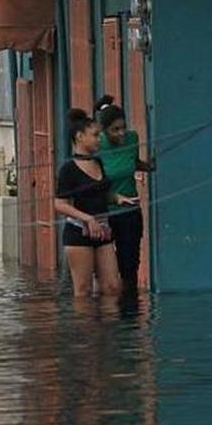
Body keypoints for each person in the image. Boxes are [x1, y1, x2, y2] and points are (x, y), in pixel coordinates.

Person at [54, 109, 138, 297]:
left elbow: (100, 192)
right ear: (79, 137)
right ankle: (86, 326)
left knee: (112, 287)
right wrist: (87, 219)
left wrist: (117, 198)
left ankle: (110, 325)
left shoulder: (98, 162)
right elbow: (60, 204)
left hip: (103, 230)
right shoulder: (68, 169)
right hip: (78, 231)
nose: (99, 139)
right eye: (94, 135)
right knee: (83, 290)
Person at [95, 95, 154, 291]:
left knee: (129, 265)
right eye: (115, 130)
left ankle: (130, 310)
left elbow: (132, 163)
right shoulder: (97, 145)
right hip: (105, 212)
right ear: (104, 131)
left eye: (123, 127)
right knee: (105, 268)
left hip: (130, 210)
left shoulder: (132, 138)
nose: (121, 133)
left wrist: (148, 166)